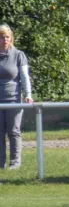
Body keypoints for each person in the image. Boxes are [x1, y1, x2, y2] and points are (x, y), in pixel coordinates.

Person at [0, 24, 33, 170]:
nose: (5, 40)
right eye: (1, 37)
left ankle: (15, 163)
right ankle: (1, 163)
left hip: (13, 99)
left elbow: (24, 77)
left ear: (11, 38)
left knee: (13, 131)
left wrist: (28, 95)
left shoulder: (19, 55)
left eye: (7, 37)